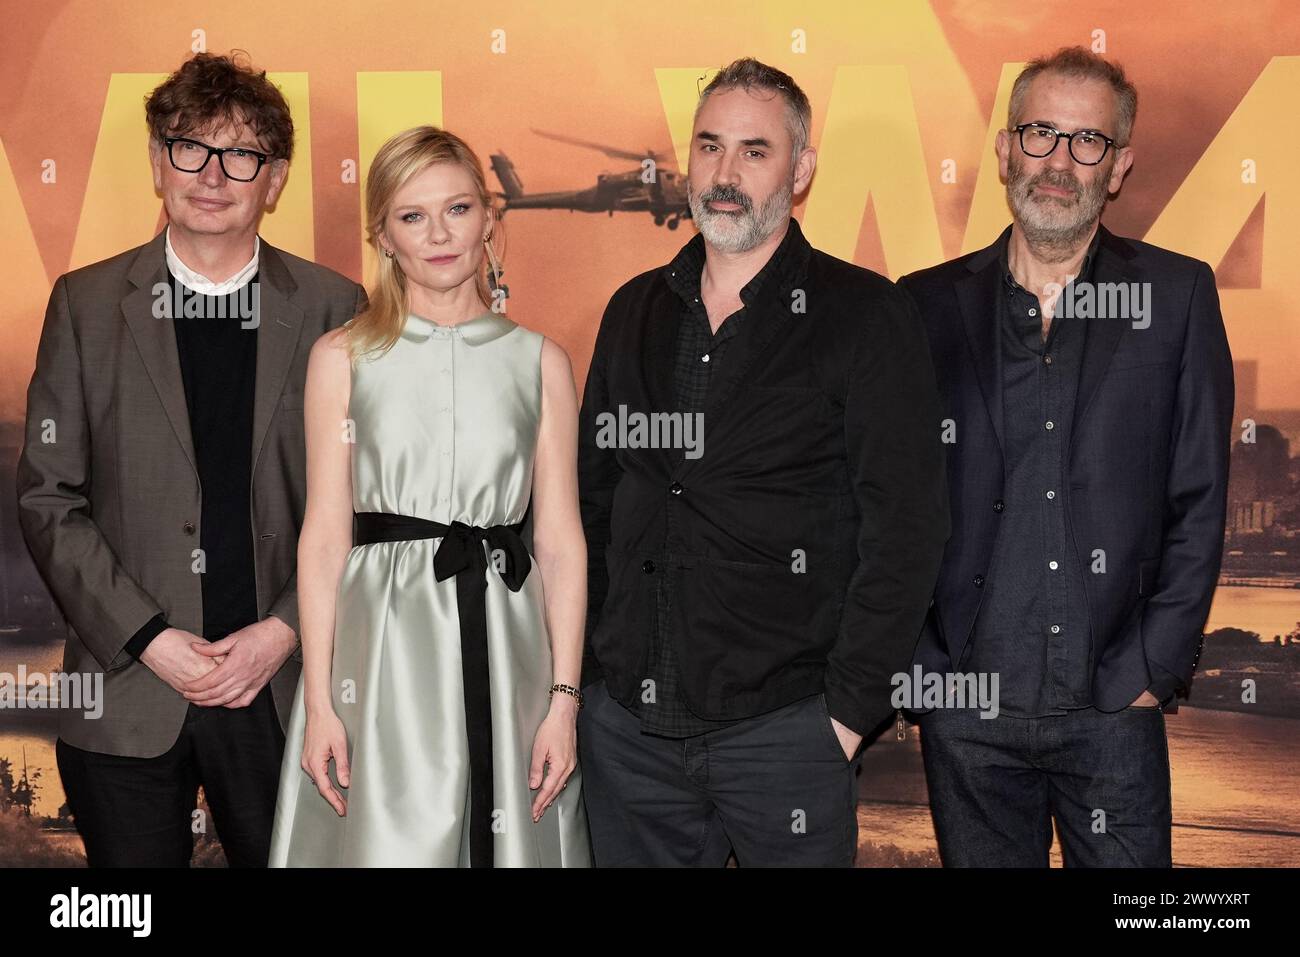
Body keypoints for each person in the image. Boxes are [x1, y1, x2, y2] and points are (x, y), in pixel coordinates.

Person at [576, 57, 950, 866]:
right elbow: (593, 500)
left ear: (802, 169)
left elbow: (907, 532)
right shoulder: (634, 309)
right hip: (628, 737)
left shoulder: (866, 314)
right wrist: (588, 683)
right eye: (710, 147)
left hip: (786, 735)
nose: (725, 173)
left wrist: (844, 718)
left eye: (754, 150)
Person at [16, 51, 366, 866]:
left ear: (273, 178)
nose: (212, 174)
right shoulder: (85, 303)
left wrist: (282, 634)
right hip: (128, 689)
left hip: (285, 696)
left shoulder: (333, 307)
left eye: (240, 154)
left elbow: (358, 500)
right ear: (156, 161)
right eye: (189, 147)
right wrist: (149, 638)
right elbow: (48, 497)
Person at [900, 46, 1234, 867]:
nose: (1059, 162)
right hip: (966, 713)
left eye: (1087, 142)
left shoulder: (1177, 296)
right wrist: (920, 664)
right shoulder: (922, 306)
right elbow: (887, 500)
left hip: (1114, 708)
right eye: (1041, 134)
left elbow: (1200, 497)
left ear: (1117, 166)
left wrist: (1154, 665)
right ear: (1005, 147)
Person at [268, 126, 592, 867]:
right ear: (382, 233)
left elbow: (560, 542)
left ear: (488, 218)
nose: (439, 234)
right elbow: (322, 538)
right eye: (413, 216)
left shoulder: (540, 361)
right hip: (379, 654)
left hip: (512, 653)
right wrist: (320, 702)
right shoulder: (341, 358)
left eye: (458, 208)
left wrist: (564, 702)